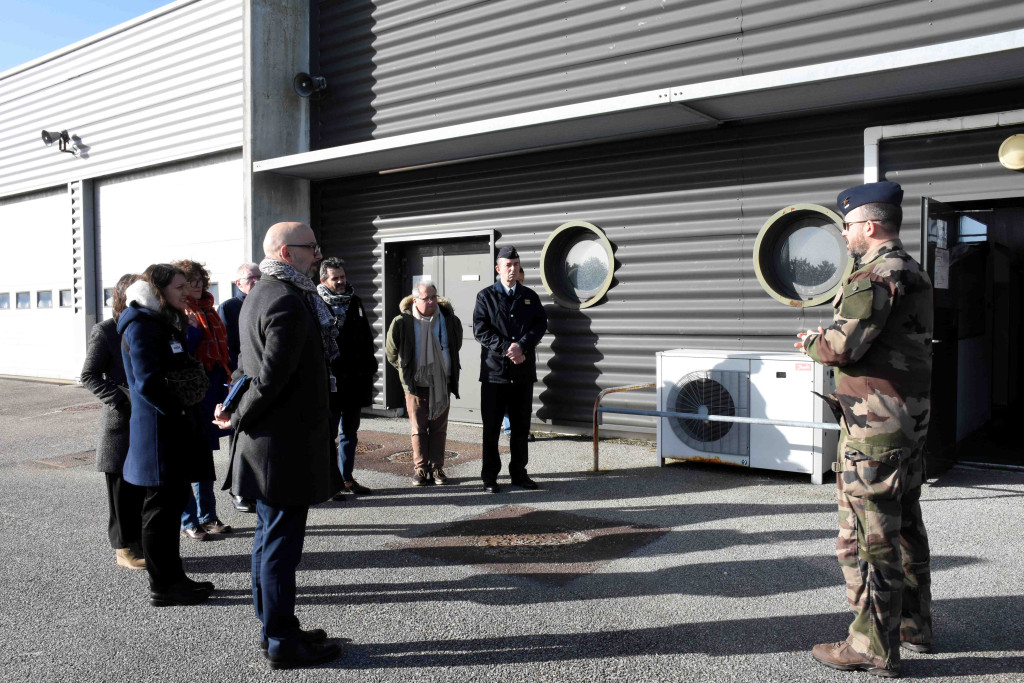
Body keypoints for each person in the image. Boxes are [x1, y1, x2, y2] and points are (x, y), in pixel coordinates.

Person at [795, 181, 933, 678]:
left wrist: (813, 340)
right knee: (907, 529)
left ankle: (872, 645)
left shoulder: (876, 273)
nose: (846, 234)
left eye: (849, 226)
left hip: (874, 430)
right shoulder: (913, 270)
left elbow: (843, 346)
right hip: (906, 426)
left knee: (867, 538)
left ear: (870, 225)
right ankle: (915, 626)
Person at [215, 222, 343, 669]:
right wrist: (238, 413)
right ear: (288, 253)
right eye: (312, 247)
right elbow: (269, 377)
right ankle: (283, 642)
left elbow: (245, 368)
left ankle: (274, 627)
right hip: (282, 448)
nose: (318, 254)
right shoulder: (287, 299)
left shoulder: (264, 293)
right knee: (280, 546)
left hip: (271, 445)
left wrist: (233, 405)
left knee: (269, 540)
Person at [118, 264, 216, 606]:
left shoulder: (162, 320)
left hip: (172, 428)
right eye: (178, 287)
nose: (186, 292)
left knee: (171, 508)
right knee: (160, 512)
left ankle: (176, 578)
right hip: (160, 433)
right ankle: (163, 587)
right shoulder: (142, 325)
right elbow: (145, 383)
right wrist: (176, 411)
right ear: (159, 290)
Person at [81, 273, 146, 570]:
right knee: (121, 491)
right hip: (120, 425)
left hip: (147, 422)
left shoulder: (148, 327)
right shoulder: (106, 330)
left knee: (142, 490)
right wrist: (120, 399)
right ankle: (124, 549)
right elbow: (89, 375)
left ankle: (141, 544)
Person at [473, 246, 547, 493]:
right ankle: (489, 477)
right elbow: (480, 330)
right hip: (495, 374)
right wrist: (508, 348)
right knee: (492, 428)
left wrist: (522, 346)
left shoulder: (529, 296)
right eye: (507, 265)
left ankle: (519, 473)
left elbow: (540, 325)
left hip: (522, 373)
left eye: (515, 264)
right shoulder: (486, 296)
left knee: (520, 427)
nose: (512, 269)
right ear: (498, 269)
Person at [172, 259, 233, 541]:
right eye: (190, 280)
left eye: (199, 280)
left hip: (211, 391)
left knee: (205, 459)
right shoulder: (177, 313)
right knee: (188, 460)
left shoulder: (210, 310)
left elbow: (224, 352)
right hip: (189, 394)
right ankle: (189, 519)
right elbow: (181, 349)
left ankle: (208, 516)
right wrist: (192, 326)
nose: (196, 285)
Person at [385, 280, 463, 486]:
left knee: (439, 429)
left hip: (442, 383)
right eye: (426, 298)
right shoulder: (402, 322)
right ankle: (420, 468)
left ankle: (437, 467)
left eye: (433, 297)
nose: (430, 301)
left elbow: (456, 346)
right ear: (415, 300)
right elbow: (392, 353)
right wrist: (407, 371)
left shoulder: (449, 320)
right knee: (419, 428)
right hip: (416, 385)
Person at [318, 257, 377, 498]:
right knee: (327, 434)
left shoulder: (356, 302)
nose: (341, 281)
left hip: (354, 381)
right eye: (335, 278)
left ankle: (346, 478)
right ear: (323, 280)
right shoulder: (315, 304)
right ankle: (327, 483)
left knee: (350, 433)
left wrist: (369, 369)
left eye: (343, 276)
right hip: (329, 381)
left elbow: (366, 339)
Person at [219, 262, 260, 513]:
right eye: (251, 278)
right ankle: (238, 491)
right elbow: (228, 347)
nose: (256, 281)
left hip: (258, 380)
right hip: (239, 380)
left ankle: (253, 488)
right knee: (237, 439)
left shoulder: (264, 301)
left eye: (259, 277)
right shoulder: (231, 307)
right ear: (239, 283)